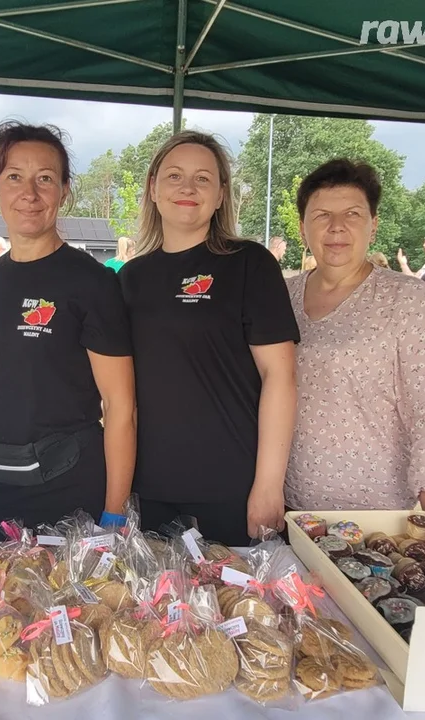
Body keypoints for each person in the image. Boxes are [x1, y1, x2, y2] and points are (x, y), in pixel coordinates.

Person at [0, 121, 136, 546]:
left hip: (68, 493)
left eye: (45, 179)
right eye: (14, 177)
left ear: (64, 191)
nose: (29, 194)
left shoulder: (92, 283)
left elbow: (121, 405)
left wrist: (113, 511)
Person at [119, 131, 299, 545]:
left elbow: (280, 377)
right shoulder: (131, 278)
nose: (187, 187)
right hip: (151, 489)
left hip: (232, 487)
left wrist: (269, 484)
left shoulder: (251, 264)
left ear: (221, 195)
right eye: (174, 176)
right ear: (153, 188)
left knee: (237, 607)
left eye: (203, 178)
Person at [286, 159, 425, 515]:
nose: (337, 227)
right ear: (302, 228)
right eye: (322, 215)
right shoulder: (281, 296)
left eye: (353, 214)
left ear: (373, 226)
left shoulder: (405, 300)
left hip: (374, 517)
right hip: (287, 509)